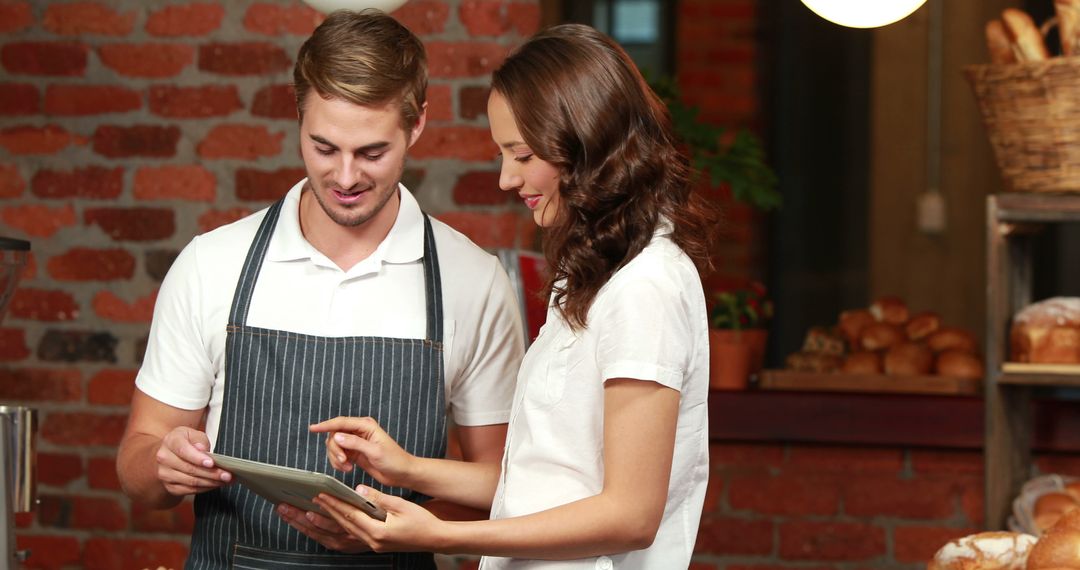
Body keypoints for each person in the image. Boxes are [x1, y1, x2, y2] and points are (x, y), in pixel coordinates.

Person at [115, 10, 525, 569]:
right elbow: (138, 468)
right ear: (298, 116)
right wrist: (164, 464)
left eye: (373, 152)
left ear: (418, 125)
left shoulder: (473, 282)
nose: (347, 177)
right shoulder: (212, 265)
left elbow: (501, 494)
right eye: (324, 148)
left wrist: (395, 533)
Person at [308, 23, 718, 569]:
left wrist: (443, 536)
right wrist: (405, 467)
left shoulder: (647, 285)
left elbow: (631, 514)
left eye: (522, 156)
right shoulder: (595, 276)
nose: (506, 178)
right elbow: (545, 479)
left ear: (587, 145)